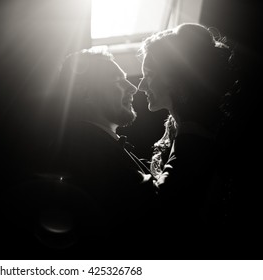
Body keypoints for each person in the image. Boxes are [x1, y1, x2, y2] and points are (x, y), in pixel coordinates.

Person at [12, 49, 160, 256]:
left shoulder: (91, 143)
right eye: (118, 80)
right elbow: (146, 217)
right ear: (85, 93)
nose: (133, 87)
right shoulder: (89, 151)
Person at [137, 23, 240, 255]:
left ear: (177, 81)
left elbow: (167, 207)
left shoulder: (195, 137)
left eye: (150, 75)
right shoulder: (182, 128)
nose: (141, 85)